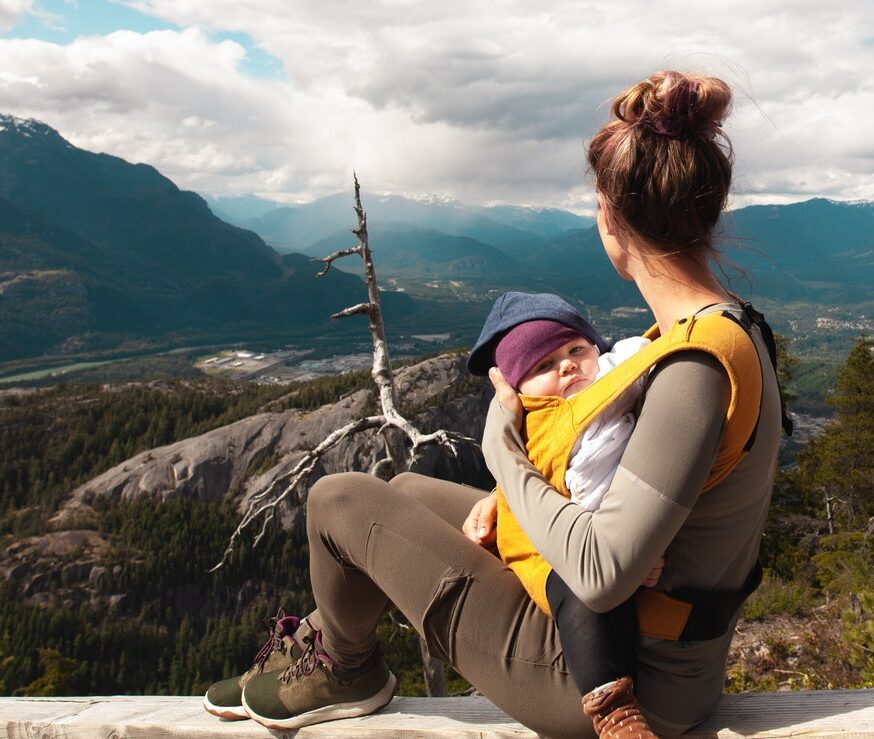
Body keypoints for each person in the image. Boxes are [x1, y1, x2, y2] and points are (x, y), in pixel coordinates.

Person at [203, 69, 784, 738]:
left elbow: (598, 574)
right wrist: (517, 498)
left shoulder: (692, 368)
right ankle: (323, 646)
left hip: (619, 680)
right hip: (649, 645)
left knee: (339, 499)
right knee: (410, 492)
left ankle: (347, 664)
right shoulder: (722, 330)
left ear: (609, 217)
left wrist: (503, 451)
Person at [468, 292, 663, 736]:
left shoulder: (616, 377)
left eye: (577, 349)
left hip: (615, 533)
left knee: (595, 582)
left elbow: (649, 351)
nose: (568, 366)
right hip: (549, 550)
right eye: (543, 366)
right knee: (579, 590)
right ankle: (614, 711)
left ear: (598, 348)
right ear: (518, 390)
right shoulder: (537, 421)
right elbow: (538, 469)